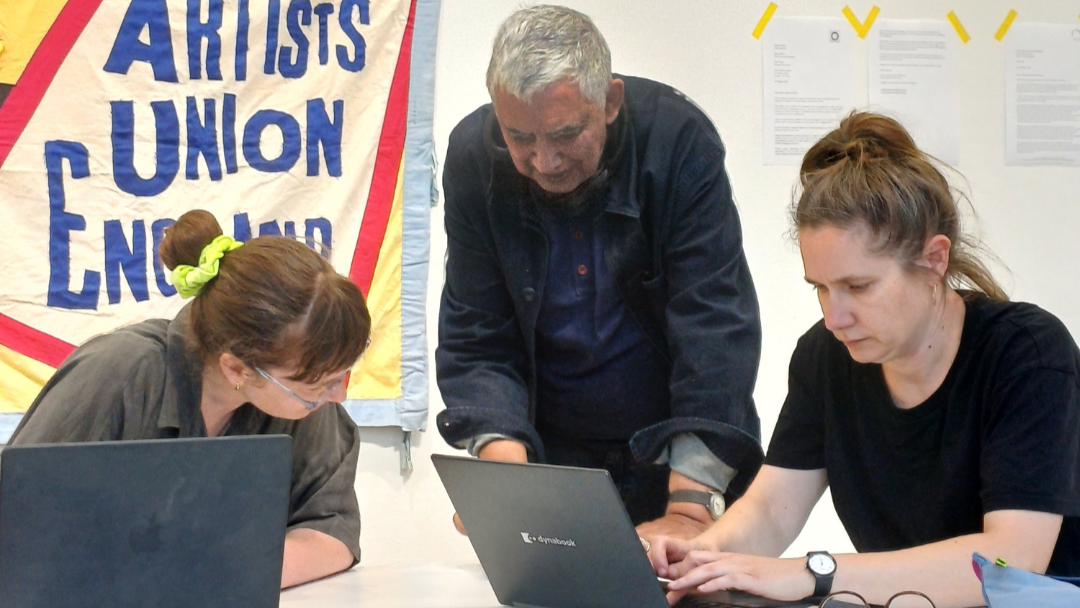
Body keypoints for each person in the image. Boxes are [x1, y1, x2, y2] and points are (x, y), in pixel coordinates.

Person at [647, 112, 1080, 608]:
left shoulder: (1028, 355)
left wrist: (816, 574)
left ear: (934, 260)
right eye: (822, 289)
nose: (835, 317)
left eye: (858, 287)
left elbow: (1010, 561)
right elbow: (770, 511)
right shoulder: (824, 358)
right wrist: (704, 554)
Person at [436, 4, 763, 542]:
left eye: (565, 134)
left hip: (681, 450)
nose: (544, 161)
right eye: (519, 137)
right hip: (552, 459)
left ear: (609, 101)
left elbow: (714, 325)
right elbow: (477, 331)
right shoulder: (473, 156)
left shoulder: (677, 140)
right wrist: (504, 477)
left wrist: (688, 509)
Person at [9, 209, 371, 589]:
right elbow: (18, 526)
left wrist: (208, 577)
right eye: (319, 384)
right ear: (236, 369)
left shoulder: (299, 387)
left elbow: (332, 531)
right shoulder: (118, 375)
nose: (338, 395)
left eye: (341, 375)